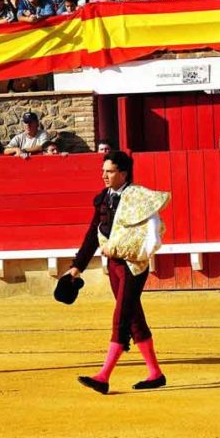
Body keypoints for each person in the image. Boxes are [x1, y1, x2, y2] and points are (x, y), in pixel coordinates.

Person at [66, 151, 171, 394]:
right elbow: (93, 234)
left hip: (133, 265)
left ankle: (103, 376)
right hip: (113, 264)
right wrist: (77, 266)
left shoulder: (137, 196)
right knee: (133, 318)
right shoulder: (103, 198)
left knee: (121, 316)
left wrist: (148, 248)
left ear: (123, 173)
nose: (104, 175)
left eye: (110, 171)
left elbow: (153, 221)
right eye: (103, 171)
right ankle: (155, 373)